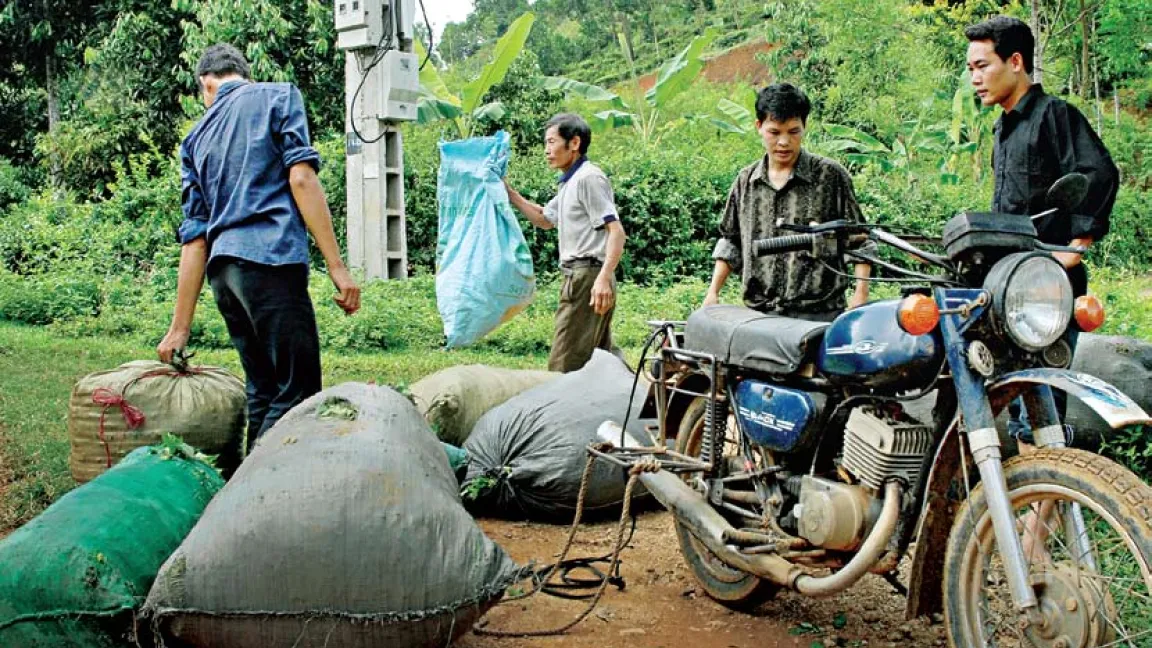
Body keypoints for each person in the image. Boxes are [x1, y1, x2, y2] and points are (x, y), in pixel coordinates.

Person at [157, 44, 360, 451]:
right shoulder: (279, 96)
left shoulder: (195, 139)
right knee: (297, 392)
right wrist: (338, 268)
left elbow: (194, 238)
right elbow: (301, 179)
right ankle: (256, 496)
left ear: (206, 83)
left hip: (224, 276)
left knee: (264, 390)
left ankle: (250, 497)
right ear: (239, 74)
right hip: (269, 261)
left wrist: (180, 327)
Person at [965, 16, 1119, 442]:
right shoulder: (1004, 127)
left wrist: (1074, 248)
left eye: (982, 65)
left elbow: (1098, 172)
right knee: (1016, 401)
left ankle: (1050, 499)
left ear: (1015, 61)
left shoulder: (1055, 115)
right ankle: (1034, 506)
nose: (974, 77)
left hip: (1048, 286)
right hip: (1011, 284)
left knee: (1044, 401)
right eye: (971, 68)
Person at [703, 83, 873, 320]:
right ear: (759, 127)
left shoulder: (830, 176)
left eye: (793, 132)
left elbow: (859, 239)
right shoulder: (746, 181)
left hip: (819, 313)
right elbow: (730, 241)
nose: (784, 142)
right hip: (760, 314)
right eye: (774, 132)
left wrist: (860, 295)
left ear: (804, 127)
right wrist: (712, 293)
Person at [505, 113, 627, 373]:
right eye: (546, 144)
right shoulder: (570, 182)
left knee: (564, 362)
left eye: (551, 142)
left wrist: (603, 278)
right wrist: (510, 194)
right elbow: (544, 219)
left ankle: (558, 411)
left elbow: (616, 232)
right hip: (585, 276)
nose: (547, 151)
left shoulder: (588, 179)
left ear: (574, 143)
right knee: (601, 361)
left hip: (587, 276)